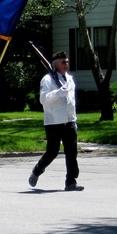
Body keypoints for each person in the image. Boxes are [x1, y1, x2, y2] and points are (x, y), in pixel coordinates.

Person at [29, 51, 83, 191]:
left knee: (72, 152)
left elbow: (71, 101)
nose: (66, 64)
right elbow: (43, 99)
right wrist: (58, 93)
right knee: (52, 151)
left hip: (70, 120)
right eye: (63, 62)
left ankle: (71, 181)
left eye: (67, 61)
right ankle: (37, 170)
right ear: (55, 64)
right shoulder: (47, 80)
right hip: (53, 121)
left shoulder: (69, 79)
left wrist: (73, 119)